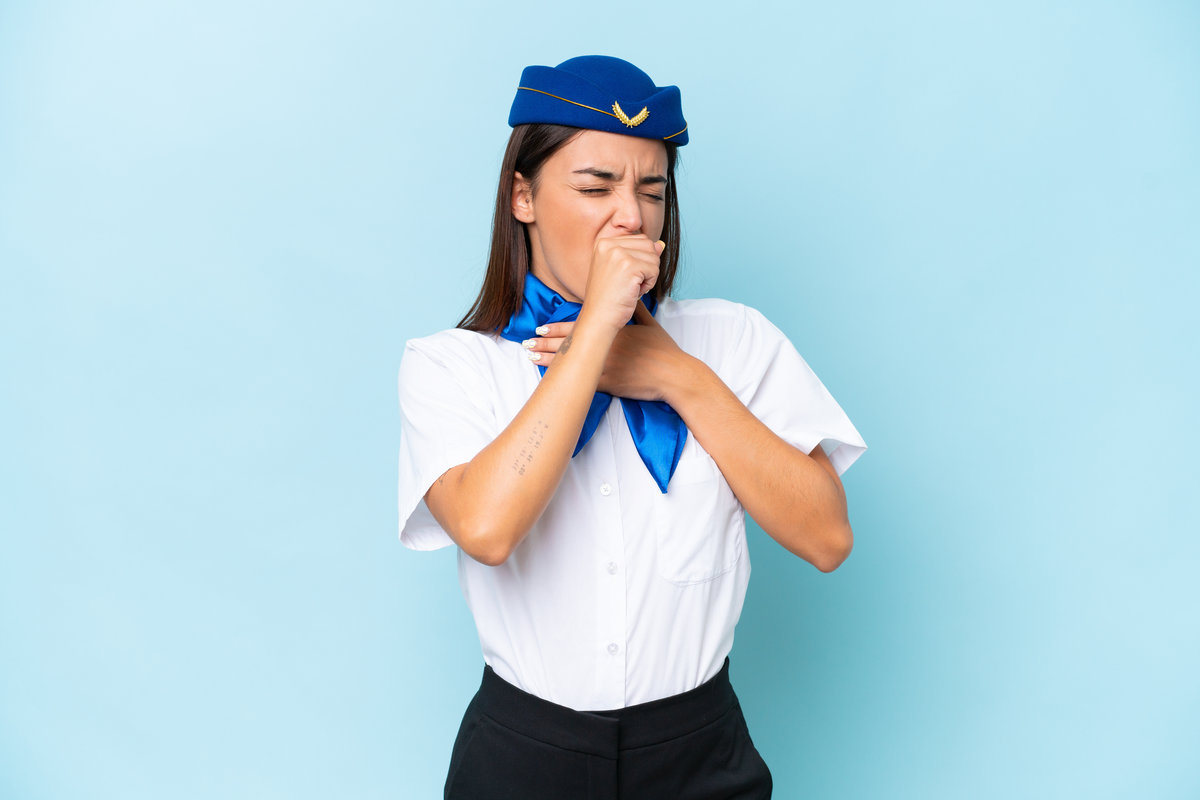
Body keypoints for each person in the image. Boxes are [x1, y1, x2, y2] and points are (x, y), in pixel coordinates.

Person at [397, 55, 867, 800]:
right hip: (523, 759)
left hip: (700, 756)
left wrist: (676, 376)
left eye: (652, 189)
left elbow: (827, 538)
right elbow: (487, 531)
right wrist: (594, 337)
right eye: (595, 187)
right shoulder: (451, 365)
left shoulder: (735, 341)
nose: (631, 215)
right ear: (523, 196)